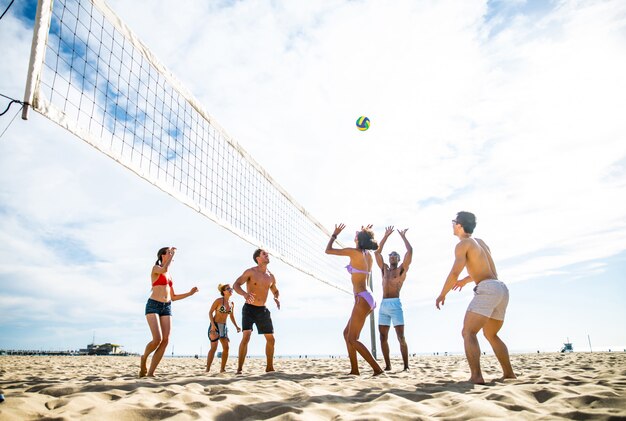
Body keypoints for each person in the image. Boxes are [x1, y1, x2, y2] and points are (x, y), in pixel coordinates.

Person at [436, 212, 516, 384]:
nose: (452, 225)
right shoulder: (481, 243)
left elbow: (454, 273)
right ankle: (509, 374)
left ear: (459, 225)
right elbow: (484, 269)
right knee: (491, 334)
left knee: (468, 332)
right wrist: (466, 280)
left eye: (453, 222)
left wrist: (443, 294)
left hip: (487, 289)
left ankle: (476, 376)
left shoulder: (463, 244)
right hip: (501, 288)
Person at [326, 224, 384, 376]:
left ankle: (377, 369)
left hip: (362, 298)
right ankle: (354, 370)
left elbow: (328, 250)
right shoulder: (368, 255)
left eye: (357, 233)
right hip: (368, 297)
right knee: (347, 334)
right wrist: (365, 232)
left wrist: (334, 234)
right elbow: (364, 243)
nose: (355, 233)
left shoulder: (354, 252)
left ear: (358, 239)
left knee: (353, 338)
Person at [140, 247, 198, 377]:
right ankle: (144, 358)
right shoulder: (156, 268)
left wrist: (189, 293)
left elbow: (174, 297)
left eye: (171, 253)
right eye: (169, 253)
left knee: (165, 340)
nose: (171, 255)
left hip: (167, 306)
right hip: (153, 305)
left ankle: (150, 373)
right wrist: (173, 254)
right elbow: (164, 269)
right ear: (162, 255)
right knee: (157, 339)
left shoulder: (169, 275)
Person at [233, 248, 280, 374]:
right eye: (264, 254)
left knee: (271, 339)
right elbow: (236, 285)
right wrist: (244, 294)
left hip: (262, 310)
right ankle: (239, 369)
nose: (267, 255)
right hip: (249, 309)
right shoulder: (250, 272)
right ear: (258, 258)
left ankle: (269, 367)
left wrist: (276, 297)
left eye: (267, 254)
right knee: (246, 336)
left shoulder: (271, 276)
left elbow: (275, 290)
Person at [374, 226, 413, 371]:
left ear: (398, 259)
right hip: (384, 305)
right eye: (390, 254)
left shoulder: (401, 270)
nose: (392, 256)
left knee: (400, 337)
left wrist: (403, 236)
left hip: (395, 304)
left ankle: (406, 366)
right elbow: (377, 252)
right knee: (382, 337)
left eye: (395, 255)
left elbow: (410, 252)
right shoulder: (384, 269)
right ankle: (388, 366)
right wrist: (385, 236)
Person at [206, 283, 241, 373]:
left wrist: (236, 326)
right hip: (215, 324)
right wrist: (213, 325)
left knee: (226, 348)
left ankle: (222, 369)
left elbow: (231, 316)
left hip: (224, 326)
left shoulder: (231, 303)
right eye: (227, 288)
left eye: (230, 288)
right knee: (213, 348)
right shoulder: (218, 301)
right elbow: (210, 312)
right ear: (223, 292)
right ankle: (207, 369)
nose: (230, 290)